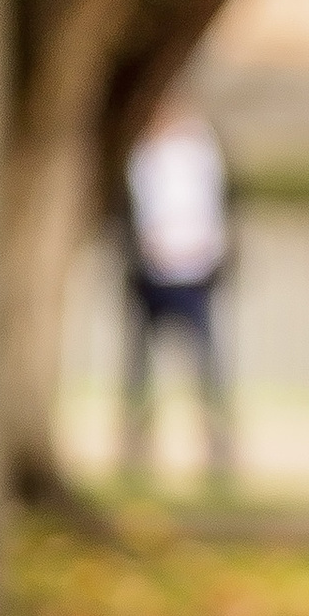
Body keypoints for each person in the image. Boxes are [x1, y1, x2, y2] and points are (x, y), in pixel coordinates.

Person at [122, 96, 233, 486]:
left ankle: (218, 447)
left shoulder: (203, 149)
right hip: (150, 273)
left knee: (208, 366)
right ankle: (136, 447)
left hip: (196, 272)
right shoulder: (141, 152)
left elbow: (220, 207)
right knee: (141, 370)